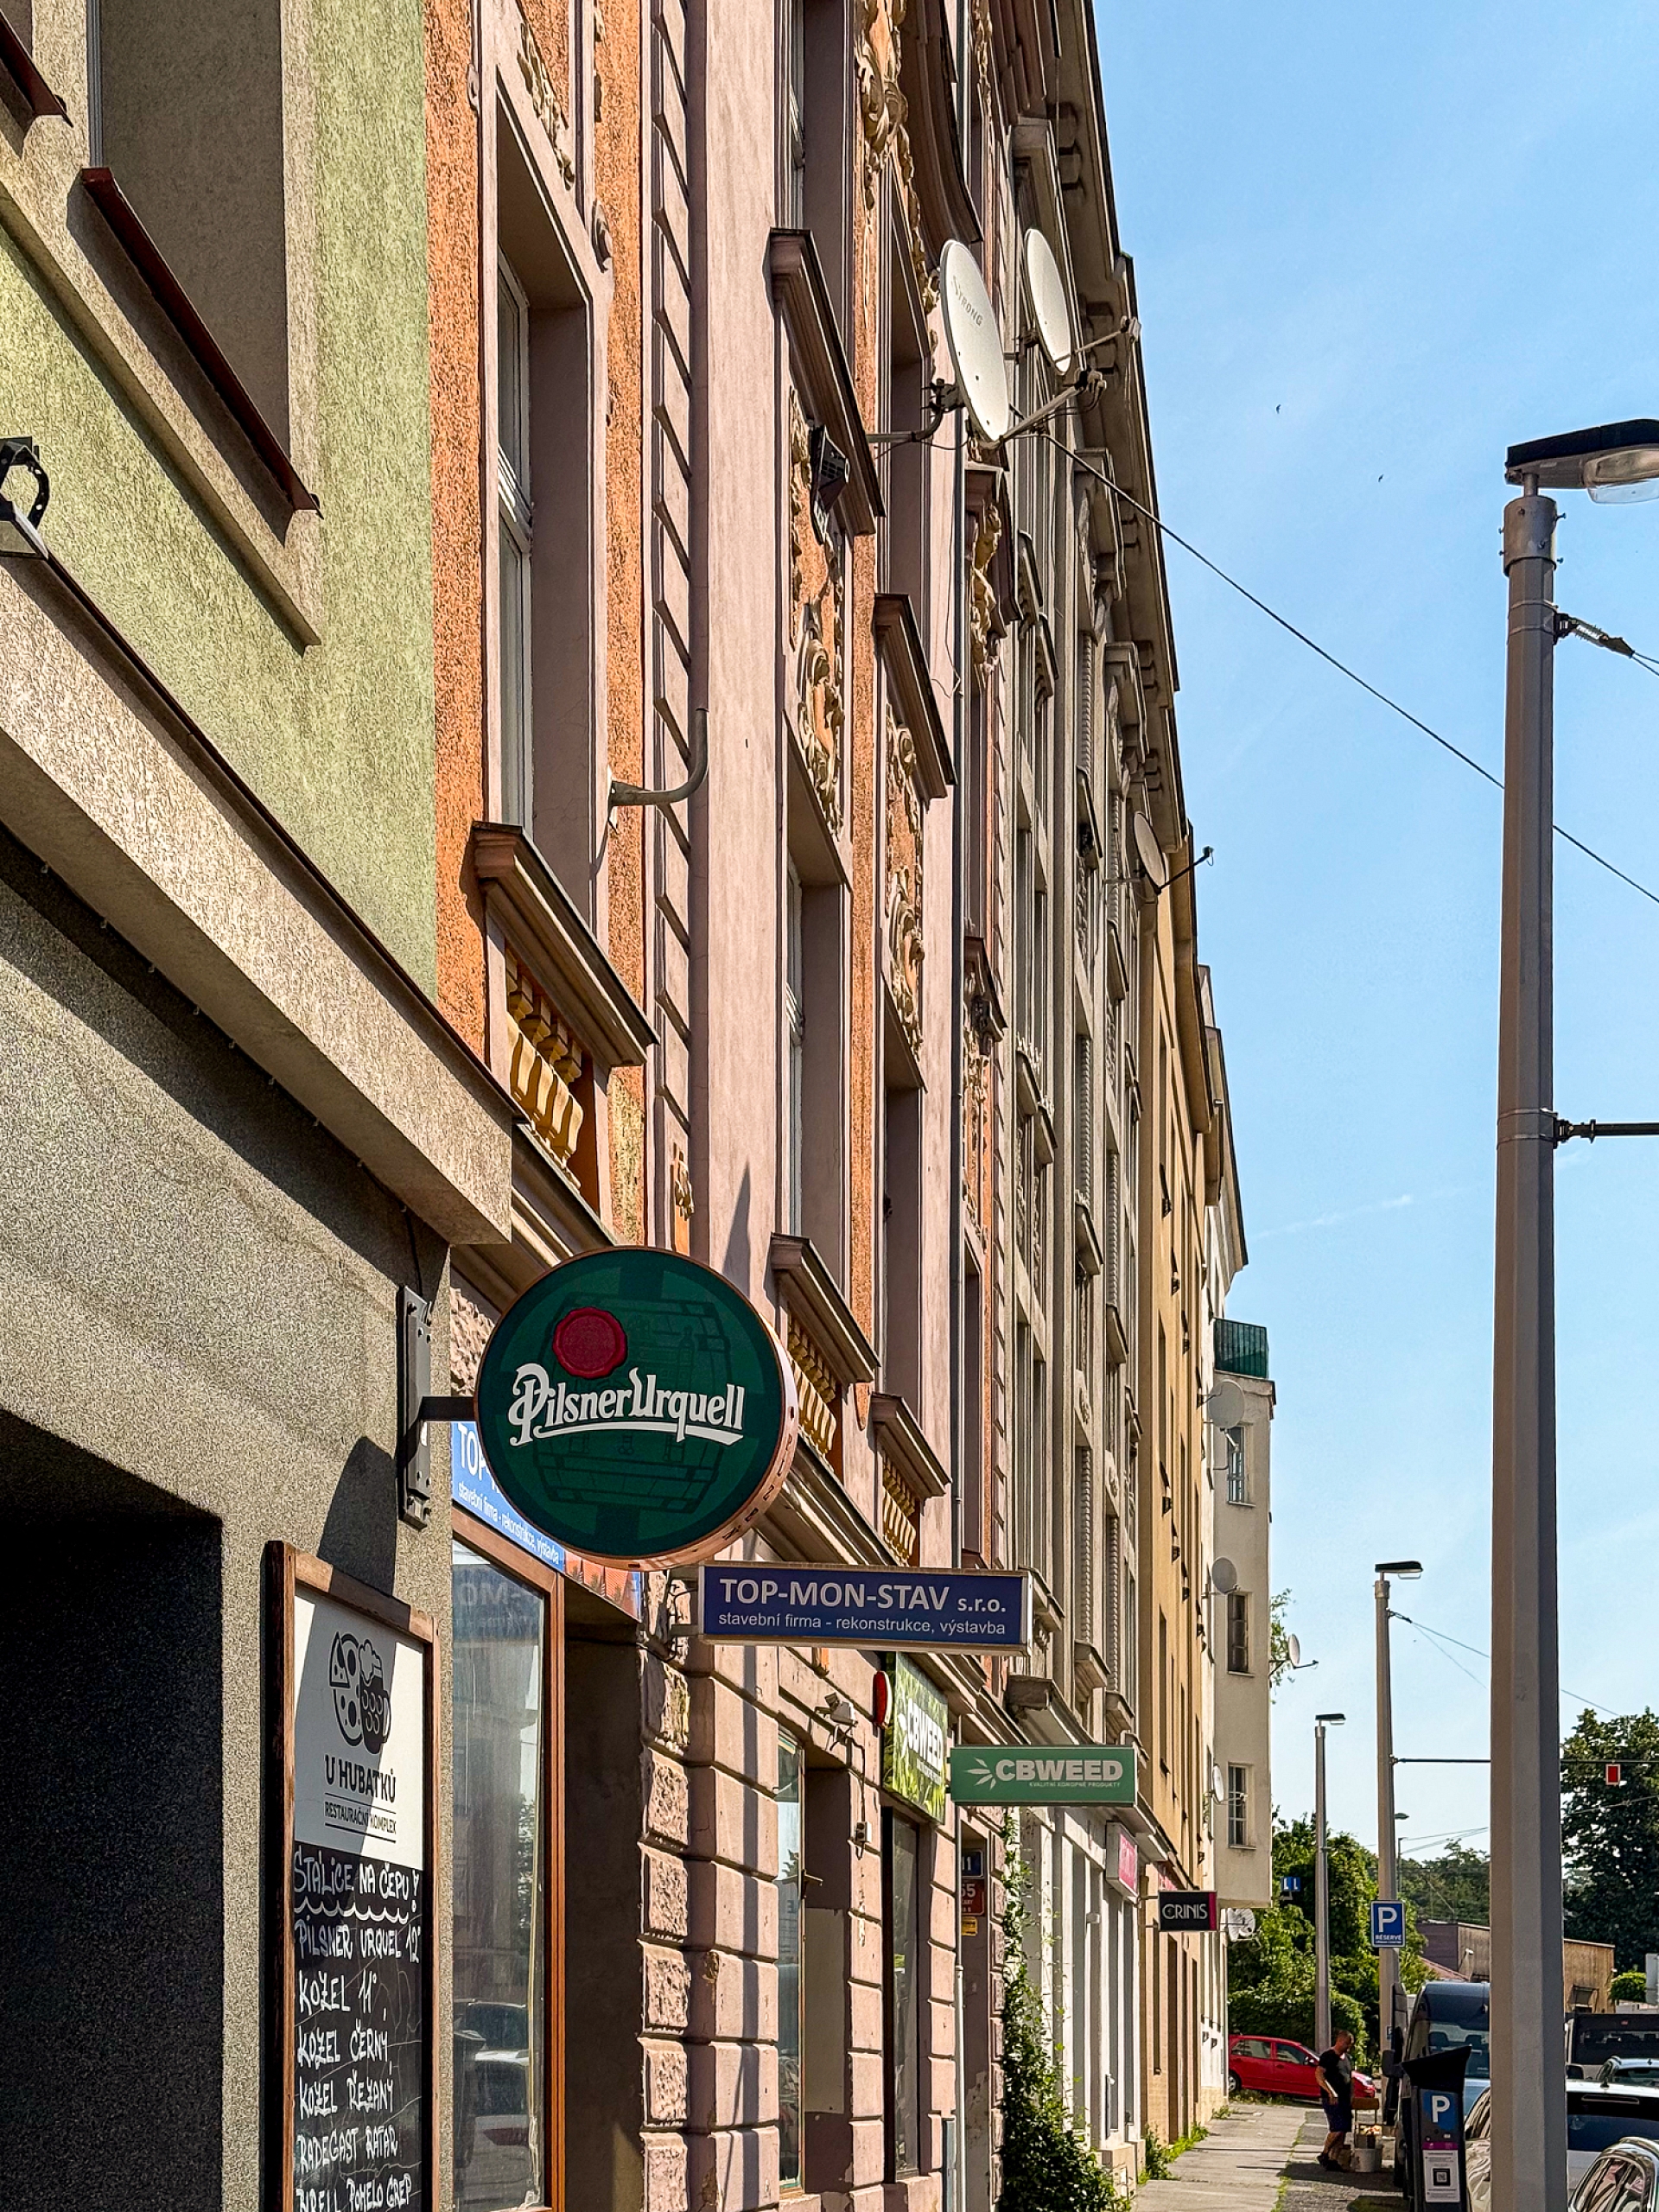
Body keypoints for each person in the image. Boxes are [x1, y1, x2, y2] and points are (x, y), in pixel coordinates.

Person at [1316, 2029, 1356, 2171]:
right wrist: (1330, 2092)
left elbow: (1350, 2078)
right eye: (1347, 2043)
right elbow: (1319, 2075)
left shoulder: (1348, 2059)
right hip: (1332, 2099)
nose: (1348, 2047)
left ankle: (1334, 2159)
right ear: (1339, 2041)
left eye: (1350, 2044)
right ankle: (1325, 2153)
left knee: (1344, 2129)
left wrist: (1352, 2095)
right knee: (1337, 2128)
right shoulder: (1328, 2056)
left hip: (1345, 2099)